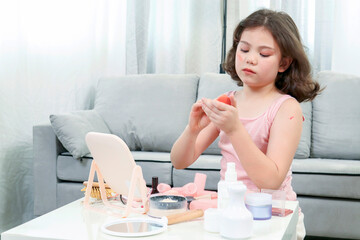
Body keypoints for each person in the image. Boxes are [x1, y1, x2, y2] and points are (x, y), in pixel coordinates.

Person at [170, 9, 321, 240]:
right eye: (244, 49)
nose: (250, 58)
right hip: (230, 211)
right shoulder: (229, 101)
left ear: (284, 63)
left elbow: (271, 180)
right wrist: (192, 130)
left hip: (273, 216)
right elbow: (180, 161)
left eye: (264, 54)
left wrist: (234, 129)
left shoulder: (286, 108)